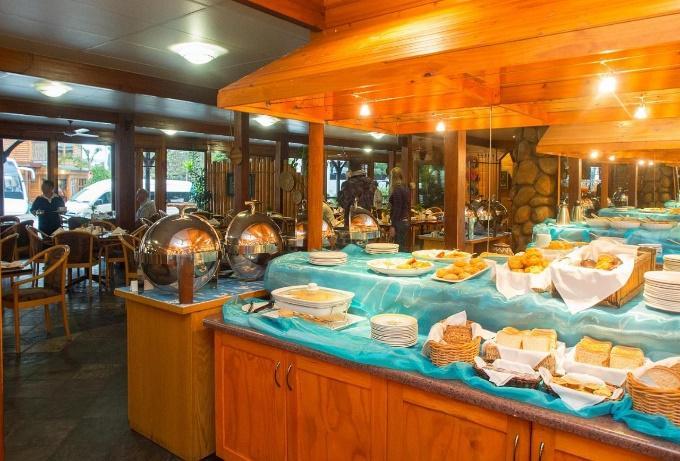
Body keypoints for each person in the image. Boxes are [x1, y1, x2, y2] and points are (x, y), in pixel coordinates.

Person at [337, 161, 377, 227]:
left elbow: (344, 203)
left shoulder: (347, 184)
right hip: (367, 218)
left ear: (350, 170)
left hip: (352, 220)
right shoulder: (371, 182)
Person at [388, 167, 411, 251]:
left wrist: (393, 225)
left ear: (392, 177)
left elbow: (397, 209)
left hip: (399, 222)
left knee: (398, 247)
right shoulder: (406, 189)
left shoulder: (397, 190)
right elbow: (406, 206)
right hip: (405, 220)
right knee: (402, 245)